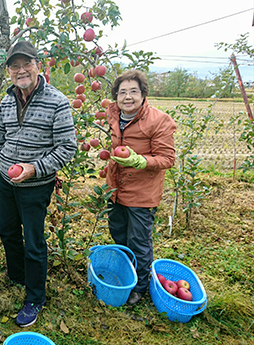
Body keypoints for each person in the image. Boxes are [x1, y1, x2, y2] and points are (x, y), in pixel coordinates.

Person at [0, 41, 77, 327]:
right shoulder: (5, 100)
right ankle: (18, 276)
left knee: (35, 243)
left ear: (39, 66)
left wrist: (34, 168)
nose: (21, 70)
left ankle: (35, 297)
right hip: (6, 180)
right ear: (9, 71)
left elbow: (67, 148)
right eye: (15, 65)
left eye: (26, 63)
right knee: (7, 230)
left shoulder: (57, 101)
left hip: (35, 185)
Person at [105, 69, 177, 305]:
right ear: (115, 96)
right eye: (122, 92)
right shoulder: (113, 114)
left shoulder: (159, 120)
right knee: (118, 234)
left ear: (143, 94)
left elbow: (167, 158)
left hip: (142, 194)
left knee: (139, 241)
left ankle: (140, 287)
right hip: (115, 189)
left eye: (133, 92)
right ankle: (125, 274)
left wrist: (141, 160)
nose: (127, 97)